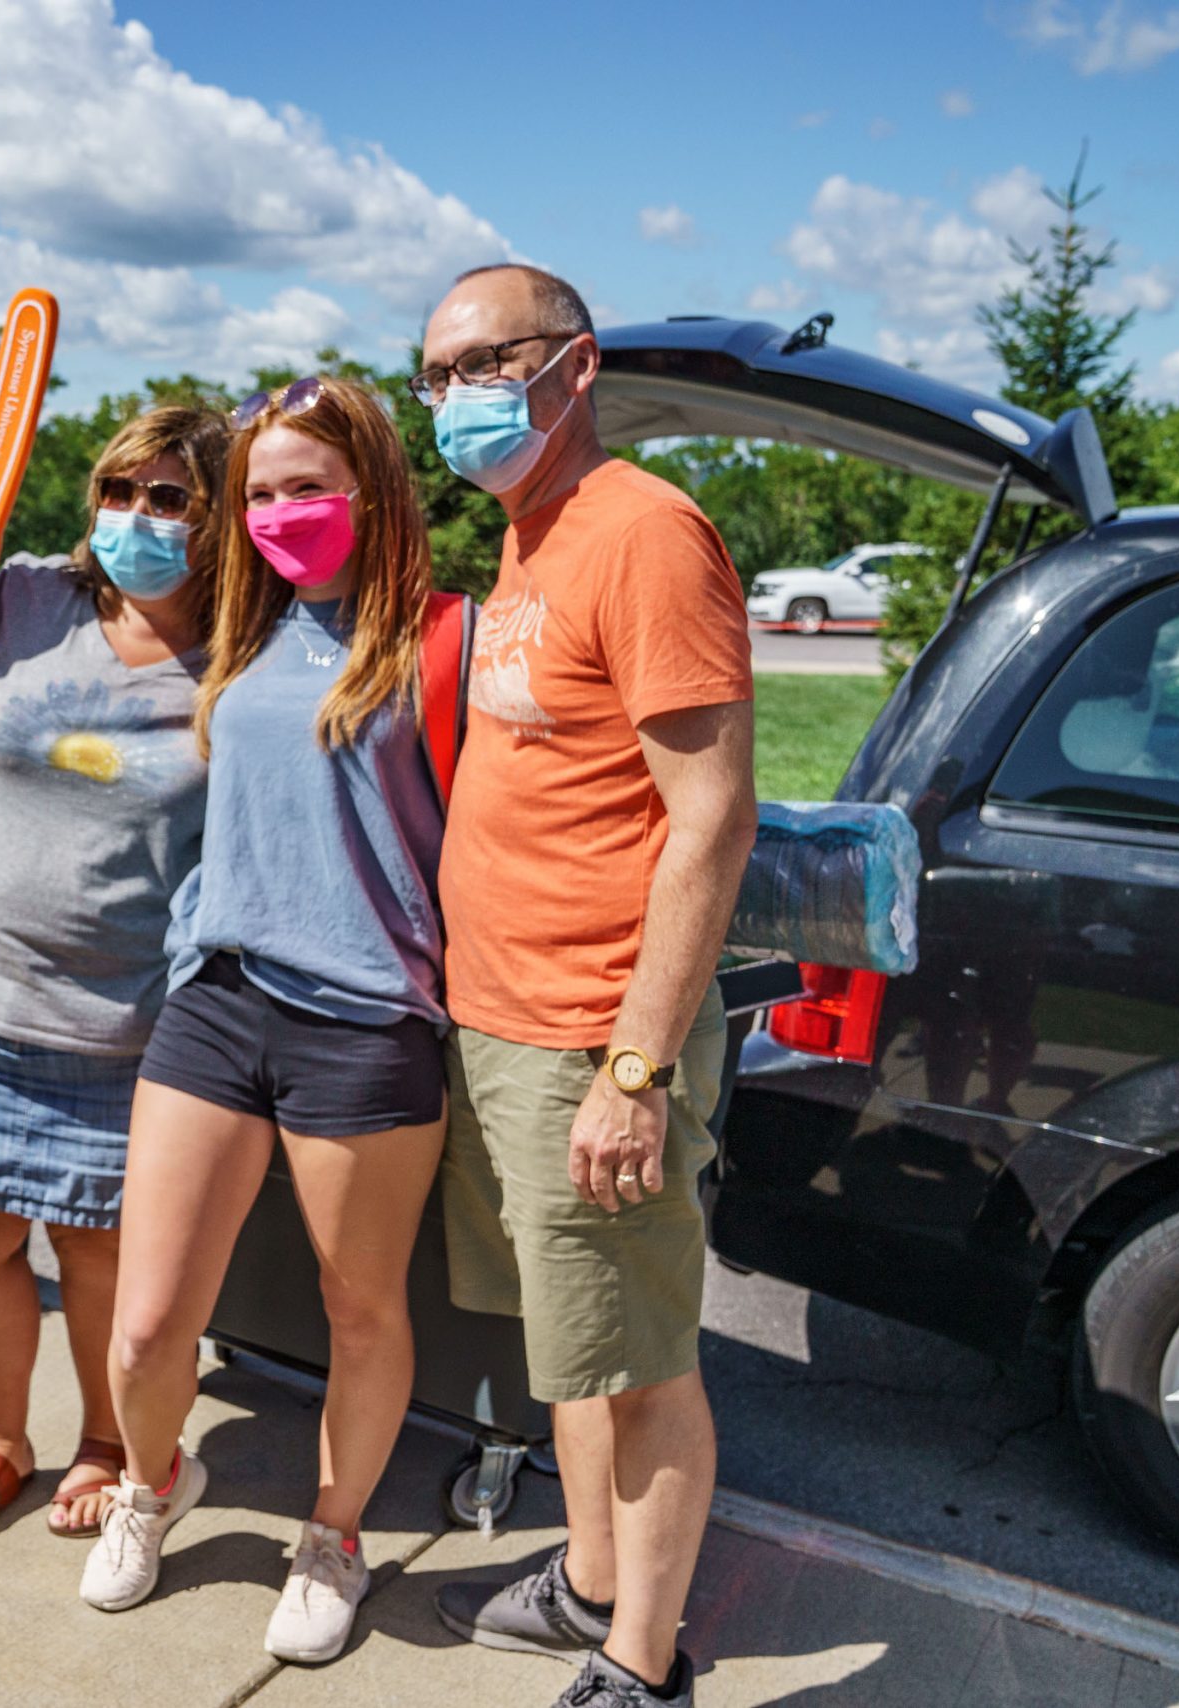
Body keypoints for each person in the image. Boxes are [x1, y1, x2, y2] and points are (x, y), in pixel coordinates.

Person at [415, 265, 756, 1708]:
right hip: (501, 1023)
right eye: (435, 372)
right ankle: (593, 1579)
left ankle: (644, 1660)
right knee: (574, 1350)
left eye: (488, 360)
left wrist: (635, 1068)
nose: (458, 395)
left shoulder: (646, 534)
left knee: (644, 1364)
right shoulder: (529, 533)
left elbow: (711, 818)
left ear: (575, 365)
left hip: (591, 1037)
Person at [84, 375, 453, 1666]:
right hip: (220, 999)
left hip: (370, 1019)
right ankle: (150, 1484)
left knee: (364, 1309)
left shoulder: (439, 639)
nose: (283, 514)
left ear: (373, 490)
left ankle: (333, 1535)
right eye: (259, 494)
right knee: (146, 1322)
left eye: (309, 487)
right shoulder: (249, 631)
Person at [0, 406, 227, 1548]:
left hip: (125, 1035)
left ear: (218, 521)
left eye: (169, 499)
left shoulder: (246, 655)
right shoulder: (23, 597)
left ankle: (110, 1443)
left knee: (107, 1260)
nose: (136, 519)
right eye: (119, 493)